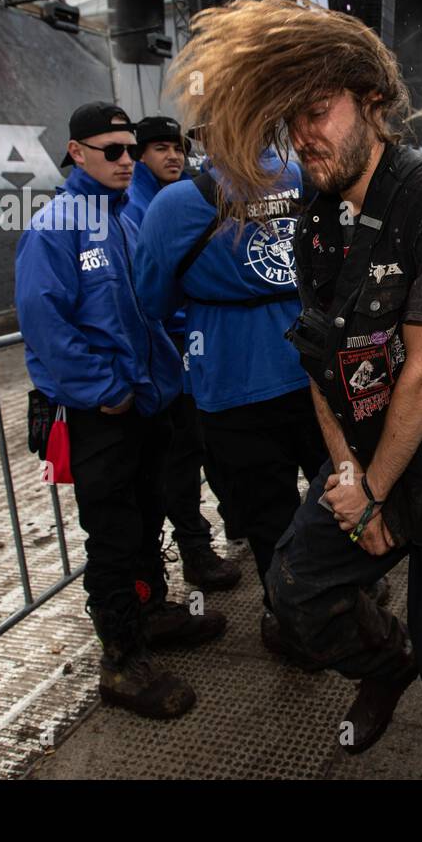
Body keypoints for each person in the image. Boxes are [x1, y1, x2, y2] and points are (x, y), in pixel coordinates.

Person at [168, 0, 422, 780]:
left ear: (372, 100)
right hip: (369, 463)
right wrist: (346, 478)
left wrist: (372, 494)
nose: (303, 136)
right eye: (289, 122)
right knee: (294, 596)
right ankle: (383, 665)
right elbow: (320, 359)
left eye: (318, 110)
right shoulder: (316, 214)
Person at [16, 102, 225, 720]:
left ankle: (152, 611)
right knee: (111, 535)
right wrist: (105, 390)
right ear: (76, 152)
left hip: (145, 405)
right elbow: (44, 323)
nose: (126, 160)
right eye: (112, 150)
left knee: (146, 515)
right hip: (101, 413)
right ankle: (121, 661)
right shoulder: (55, 225)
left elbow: (151, 307)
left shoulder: (127, 221)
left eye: (130, 150)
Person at [134, 142, 333, 655]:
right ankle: (346, 598)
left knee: (270, 518)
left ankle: (292, 626)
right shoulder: (310, 177)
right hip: (320, 370)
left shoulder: (177, 203)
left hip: (233, 381)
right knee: (336, 494)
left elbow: (153, 298)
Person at [125, 116, 241, 594]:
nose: (171, 156)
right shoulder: (135, 207)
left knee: (203, 447)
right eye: (158, 148)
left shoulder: (189, 194)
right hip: (157, 352)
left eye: (176, 147)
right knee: (174, 459)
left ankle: (230, 528)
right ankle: (190, 551)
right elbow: (144, 292)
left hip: (186, 347)